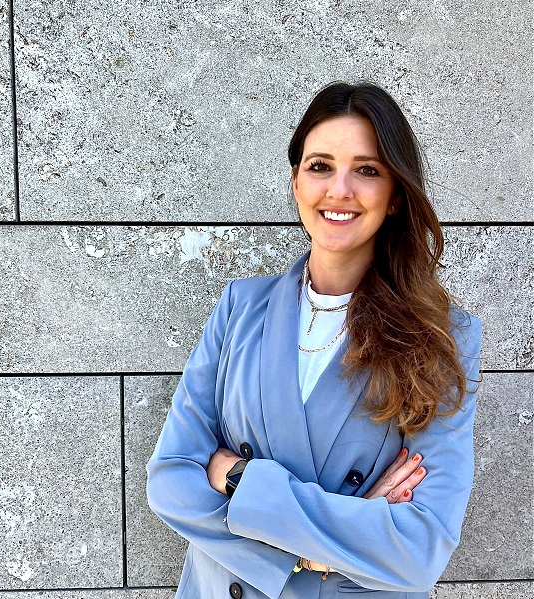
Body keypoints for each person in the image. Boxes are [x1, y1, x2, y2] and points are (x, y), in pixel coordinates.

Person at [146, 81, 481, 599]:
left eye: (367, 170)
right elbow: (171, 479)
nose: (339, 190)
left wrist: (239, 479)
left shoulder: (441, 337)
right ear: (296, 182)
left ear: (395, 195)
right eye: (320, 166)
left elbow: (420, 548)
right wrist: (314, 550)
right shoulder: (240, 307)